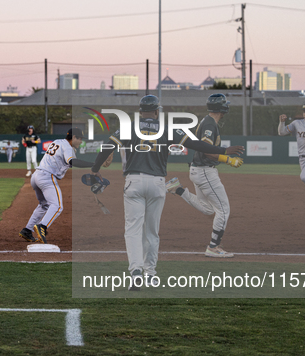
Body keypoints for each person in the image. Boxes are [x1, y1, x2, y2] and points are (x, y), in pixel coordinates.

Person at [91, 95, 245, 290]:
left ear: (140, 112)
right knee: (152, 232)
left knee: (133, 229)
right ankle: (151, 274)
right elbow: (197, 144)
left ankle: (136, 272)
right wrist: (223, 150)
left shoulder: (129, 126)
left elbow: (108, 146)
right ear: (157, 112)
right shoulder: (167, 128)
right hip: (157, 183)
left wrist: (95, 168)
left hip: (134, 181)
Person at [171, 93, 244, 258]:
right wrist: (228, 159)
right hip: (205, 171)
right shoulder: (210, 124)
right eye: (226, 104)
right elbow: (206, 150)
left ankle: (178, 189)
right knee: (223, 210)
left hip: (198, 170)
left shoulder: (207, 121)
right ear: (222, 108)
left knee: (208, 209)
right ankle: (213, 247)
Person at [19, 128, 93, 244]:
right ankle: (42, 226)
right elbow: (72, 162)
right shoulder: (68, 147)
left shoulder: (58, 141)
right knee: (57, 206)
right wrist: (93, 165)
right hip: (47, 177)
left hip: (36, 176)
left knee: (44, 205)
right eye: (79, 139)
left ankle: (27, 230)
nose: (81, 142)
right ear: (73, 138)